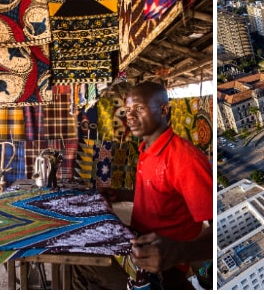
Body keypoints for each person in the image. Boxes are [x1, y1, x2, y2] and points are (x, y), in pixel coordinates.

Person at [73, 82, 213, 289]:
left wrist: (177, 252)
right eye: (128, 110)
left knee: (79, 260)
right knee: (79, 254)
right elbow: (160, 195)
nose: (130, 116)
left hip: (161, 266)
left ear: (164, 110)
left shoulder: (185, 159)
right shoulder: (147, 151)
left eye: (139, 108)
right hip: (138, 245)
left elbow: (217, 228)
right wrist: (121, 194)